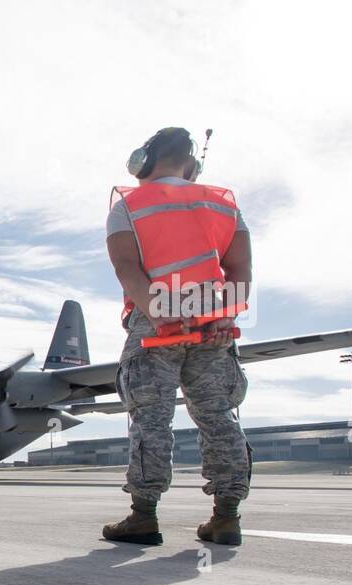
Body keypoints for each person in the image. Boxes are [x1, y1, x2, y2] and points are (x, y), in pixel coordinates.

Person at [102, 127, 252, 547]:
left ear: (143, 163)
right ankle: (226, 518)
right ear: (192, 163)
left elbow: (127, 269)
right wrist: (224, 315)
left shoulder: (128, 205)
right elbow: (240, 270)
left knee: (150, 419)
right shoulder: (223, 205)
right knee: (218, 417)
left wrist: (163, 314)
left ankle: (143, 517)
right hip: (213, 325)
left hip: (155, 325)